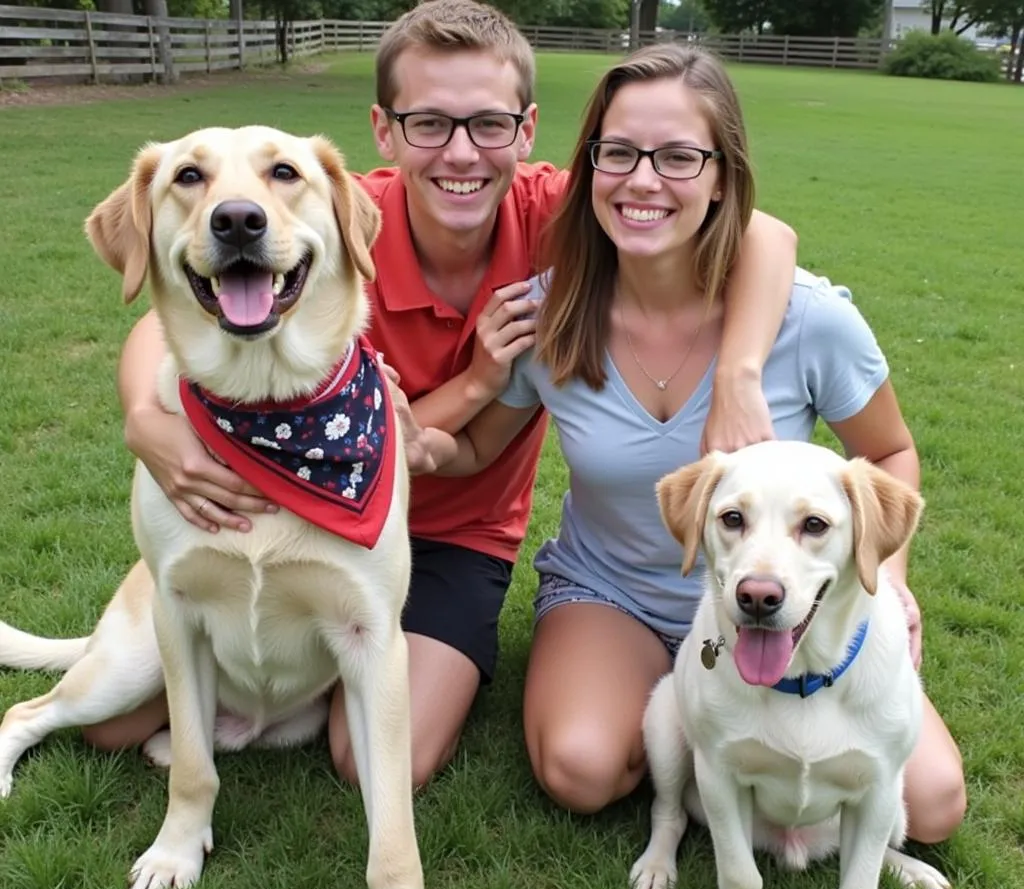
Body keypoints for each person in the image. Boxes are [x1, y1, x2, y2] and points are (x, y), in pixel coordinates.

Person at [101, 1, 799, 789]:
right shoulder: (336, 213)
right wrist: (144, 419)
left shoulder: (560, 215)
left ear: (526, 130)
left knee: (369, 761)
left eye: (488, 125)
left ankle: (339, 671)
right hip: (313, 517)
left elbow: (760, 233)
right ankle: (301, 665)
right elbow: (173, 320)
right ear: (384, 128)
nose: (461, 154)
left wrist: (740, 371)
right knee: (114, 725)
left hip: (455, 536)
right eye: (428, 124)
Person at [431, 42, 966, 844]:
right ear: (589, 167)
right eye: (618, 152)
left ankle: (727, 730)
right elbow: (475, 450)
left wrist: (886, 579)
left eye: (680, 156)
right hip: (616, 595)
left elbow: (889, 455)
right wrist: (448, 414)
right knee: (581, 767)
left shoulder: (808, 320)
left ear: (723, 176)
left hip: (785, 603)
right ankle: (686, 723)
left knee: (929, 807)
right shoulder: (549, 319)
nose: (643, 180)